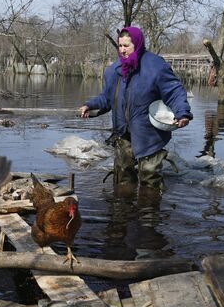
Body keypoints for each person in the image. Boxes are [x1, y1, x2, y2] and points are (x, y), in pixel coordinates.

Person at [80, 27, 192, 191]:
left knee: (149, 175)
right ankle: (124, 212)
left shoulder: (155, 66)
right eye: (120, 46)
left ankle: (150, 212)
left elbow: (174, 91)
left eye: (127, 46)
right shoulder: (113, 71)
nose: (123, 50)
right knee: (123, 175)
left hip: (149, 133)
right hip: (122, 130)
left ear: (137, 44)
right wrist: (90, 106)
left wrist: (183, 113)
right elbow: (107, 98)